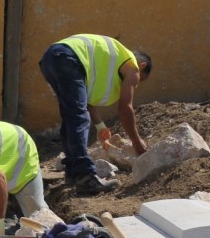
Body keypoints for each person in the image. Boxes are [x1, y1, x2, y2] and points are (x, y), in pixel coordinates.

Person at [39, 34, 152, 195]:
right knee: (78, 117)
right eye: (140, 80)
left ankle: (73, 172)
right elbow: (125, 107)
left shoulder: (109, 60)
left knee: (71, 114)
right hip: (67, 58)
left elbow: (84, 101)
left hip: (51, 58)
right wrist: (136, 141)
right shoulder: (133, 68)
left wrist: (100, 127)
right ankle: (86, 177)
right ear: (142, 65)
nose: (135, 84)